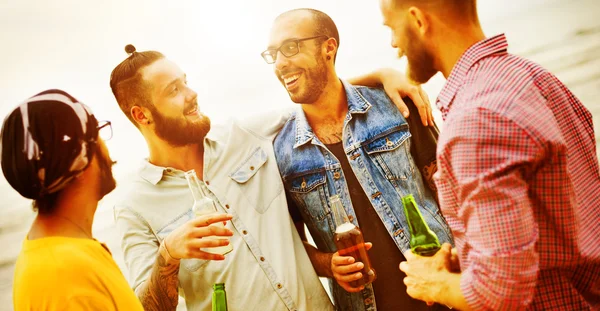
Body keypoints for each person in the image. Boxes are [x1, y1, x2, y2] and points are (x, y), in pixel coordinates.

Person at [109, 44, 429, 310]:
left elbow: (322, 99)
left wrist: (381, 75)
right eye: (174, 90)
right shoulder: (132, 205)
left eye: (185, 82)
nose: (191, 94)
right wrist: (169, 252)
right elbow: (146, 306)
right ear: (142, 115)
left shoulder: (246, 135)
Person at [378, 0, 600, 310]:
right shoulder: (531, 74)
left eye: (392, 28)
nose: (394, 45)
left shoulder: (475, 119)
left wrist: (434, 282)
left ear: (418, 20)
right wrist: (472, 257)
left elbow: (499, 291)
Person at [264, 9, 454, 311]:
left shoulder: (397, 105)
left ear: (328, 47)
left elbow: (453, 195)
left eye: (290, 47)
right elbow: (290, 244)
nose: (280, 62)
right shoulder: (279, 152)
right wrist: (328, 264)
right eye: (273, 53)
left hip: (447, 293)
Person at [1, 89, 143, 310]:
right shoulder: (68, 275)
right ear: (79, 159)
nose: (106, 148)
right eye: (97, 132)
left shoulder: (48, 250)